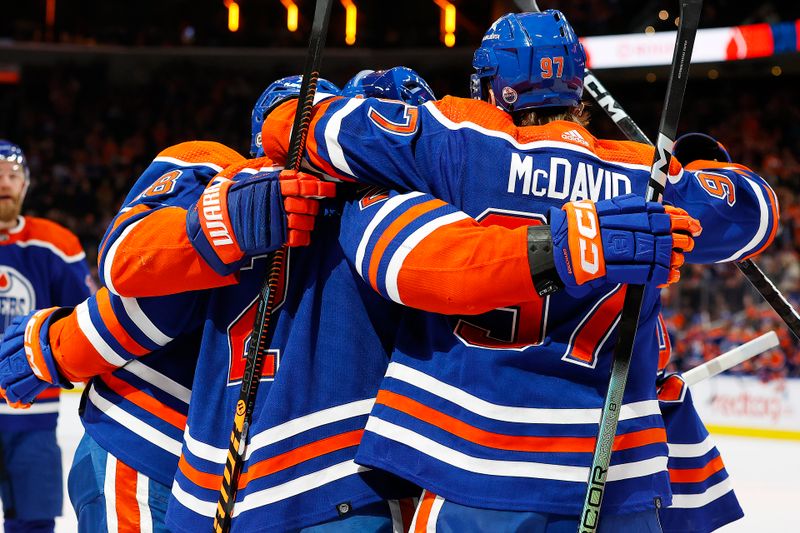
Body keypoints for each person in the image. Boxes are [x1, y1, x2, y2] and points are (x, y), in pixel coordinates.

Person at [260, 11, 778, 531]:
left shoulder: (458, 139)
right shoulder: (645, 174)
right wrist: (691, 163)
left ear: (493, 86)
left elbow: (297, 123)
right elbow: (755, 213)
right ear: (578, 87)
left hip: (473, 466)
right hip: (617, 480)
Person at [0, 141, 93, 533]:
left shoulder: (56, 244)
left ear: (26, 185)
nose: (4, 182)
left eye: (13, 175)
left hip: (30, 413)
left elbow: (85, 323)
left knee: (33, 523)